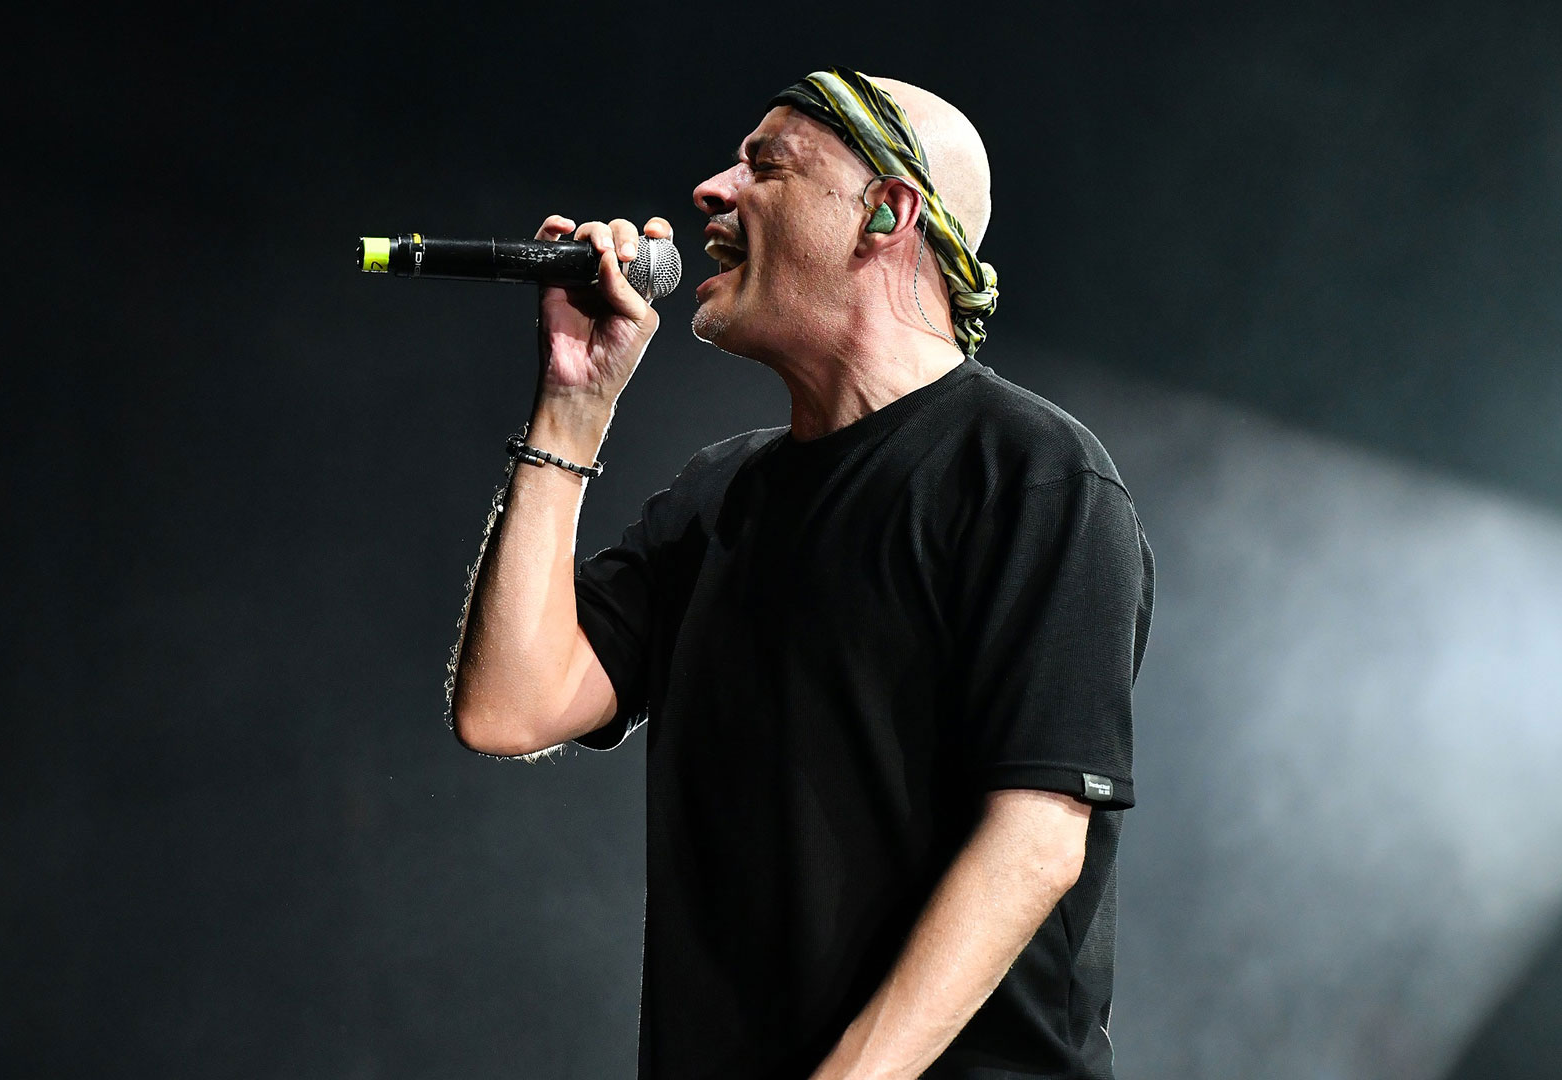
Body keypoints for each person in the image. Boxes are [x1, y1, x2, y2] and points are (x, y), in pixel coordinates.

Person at [448, 67, 1155, 1080]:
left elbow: (1035, 839)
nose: (710, 189)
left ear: (887, 212)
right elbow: (508, 707)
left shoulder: (1030, 473)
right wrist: (572, 407)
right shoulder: (719, 495)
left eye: (765, 166)